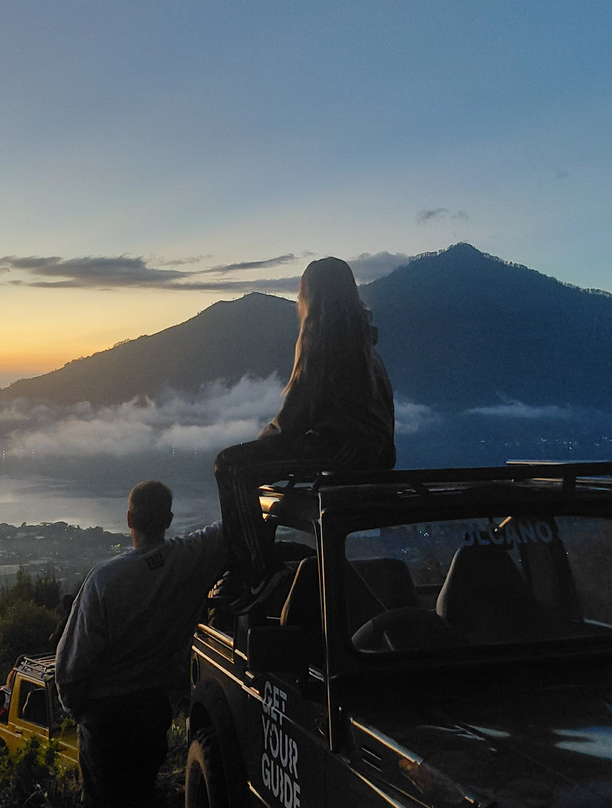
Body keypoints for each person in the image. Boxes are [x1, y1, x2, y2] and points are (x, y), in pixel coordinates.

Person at [214, 257, 395, 587]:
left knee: (230, 465)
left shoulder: (323, 340)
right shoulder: (363, 341)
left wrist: (261, 444)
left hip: (344, 452)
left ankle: (252, 572)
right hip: (370, 453)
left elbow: (293, 418)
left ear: (311, 296)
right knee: (241, 464)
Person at [55, 480, 225, 808]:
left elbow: (69, 670)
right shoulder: (190, 559)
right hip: (151, 714)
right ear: (170, 519)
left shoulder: (104, 582)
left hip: (105, 722)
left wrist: (79, 711)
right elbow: (229, 529)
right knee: (139, 794)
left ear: (129, 520)